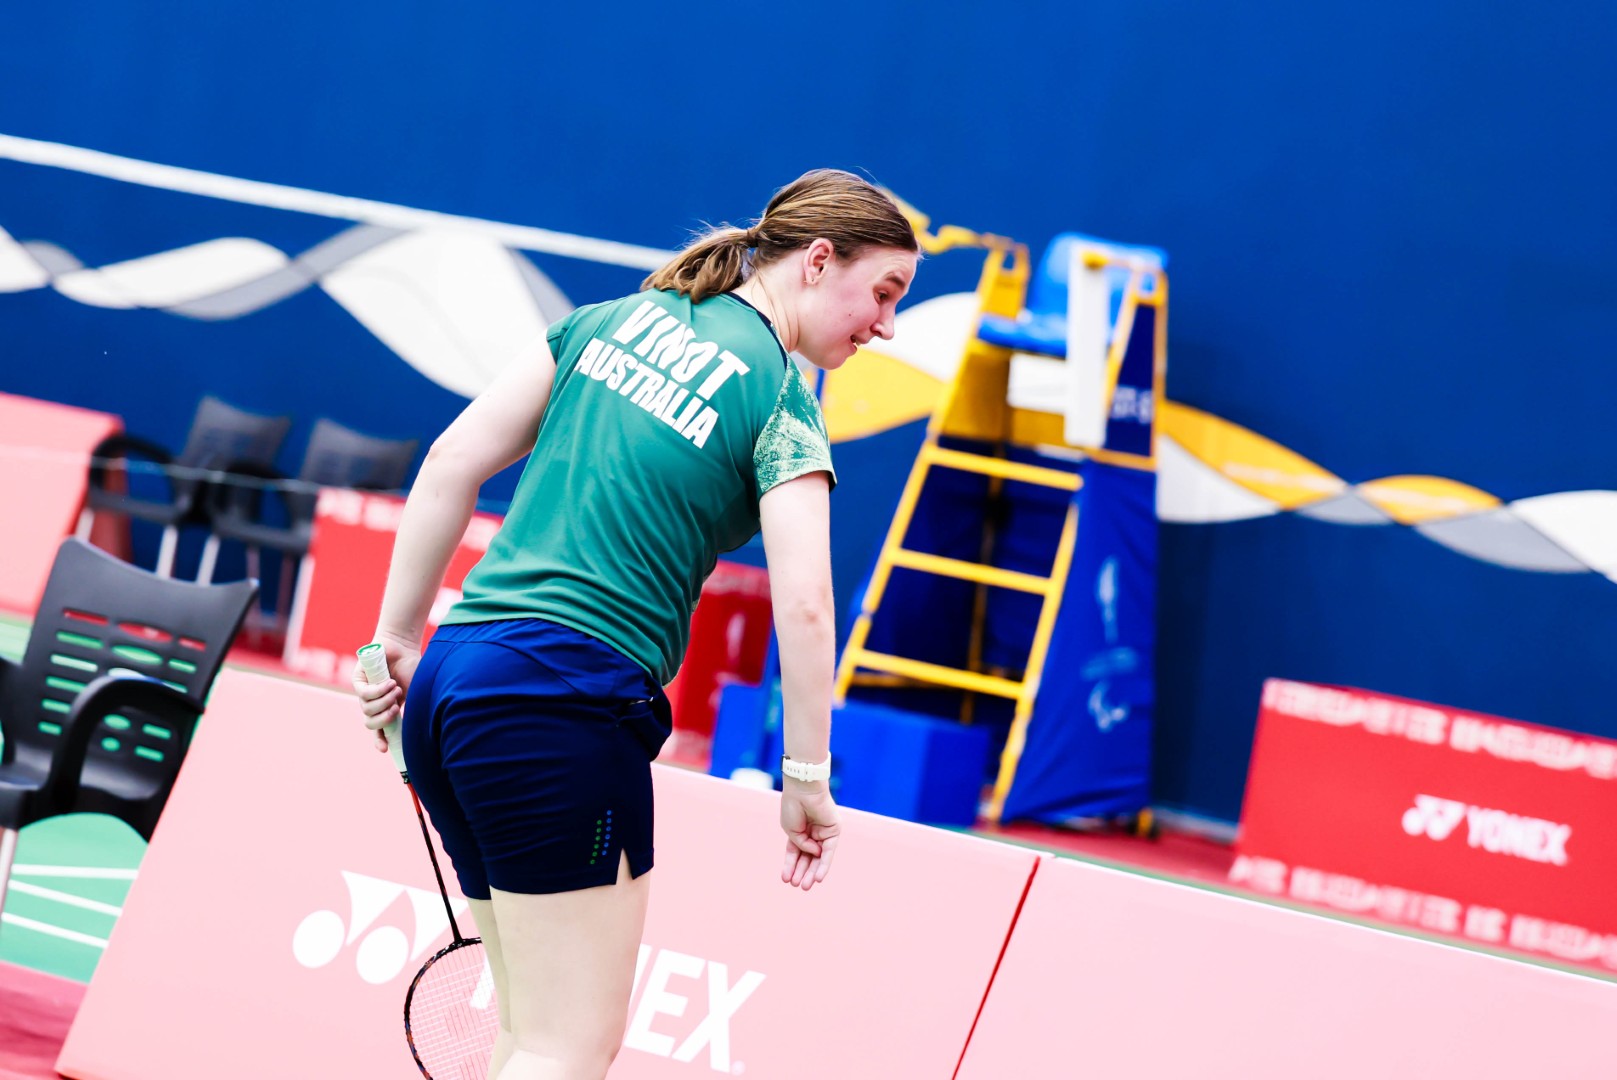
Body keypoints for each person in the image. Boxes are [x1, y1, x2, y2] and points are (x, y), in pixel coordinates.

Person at [352, 168, 919, 1080]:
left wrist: (396, 640)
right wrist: (806, 777)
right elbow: (807, 602)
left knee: (525, 1032)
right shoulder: (781, 399)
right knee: (565, 1047)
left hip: (453, 683)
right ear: (818, 260)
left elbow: (452, 457)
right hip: (561, 706)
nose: (885, 323)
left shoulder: (607, 321)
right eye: (883, 292)